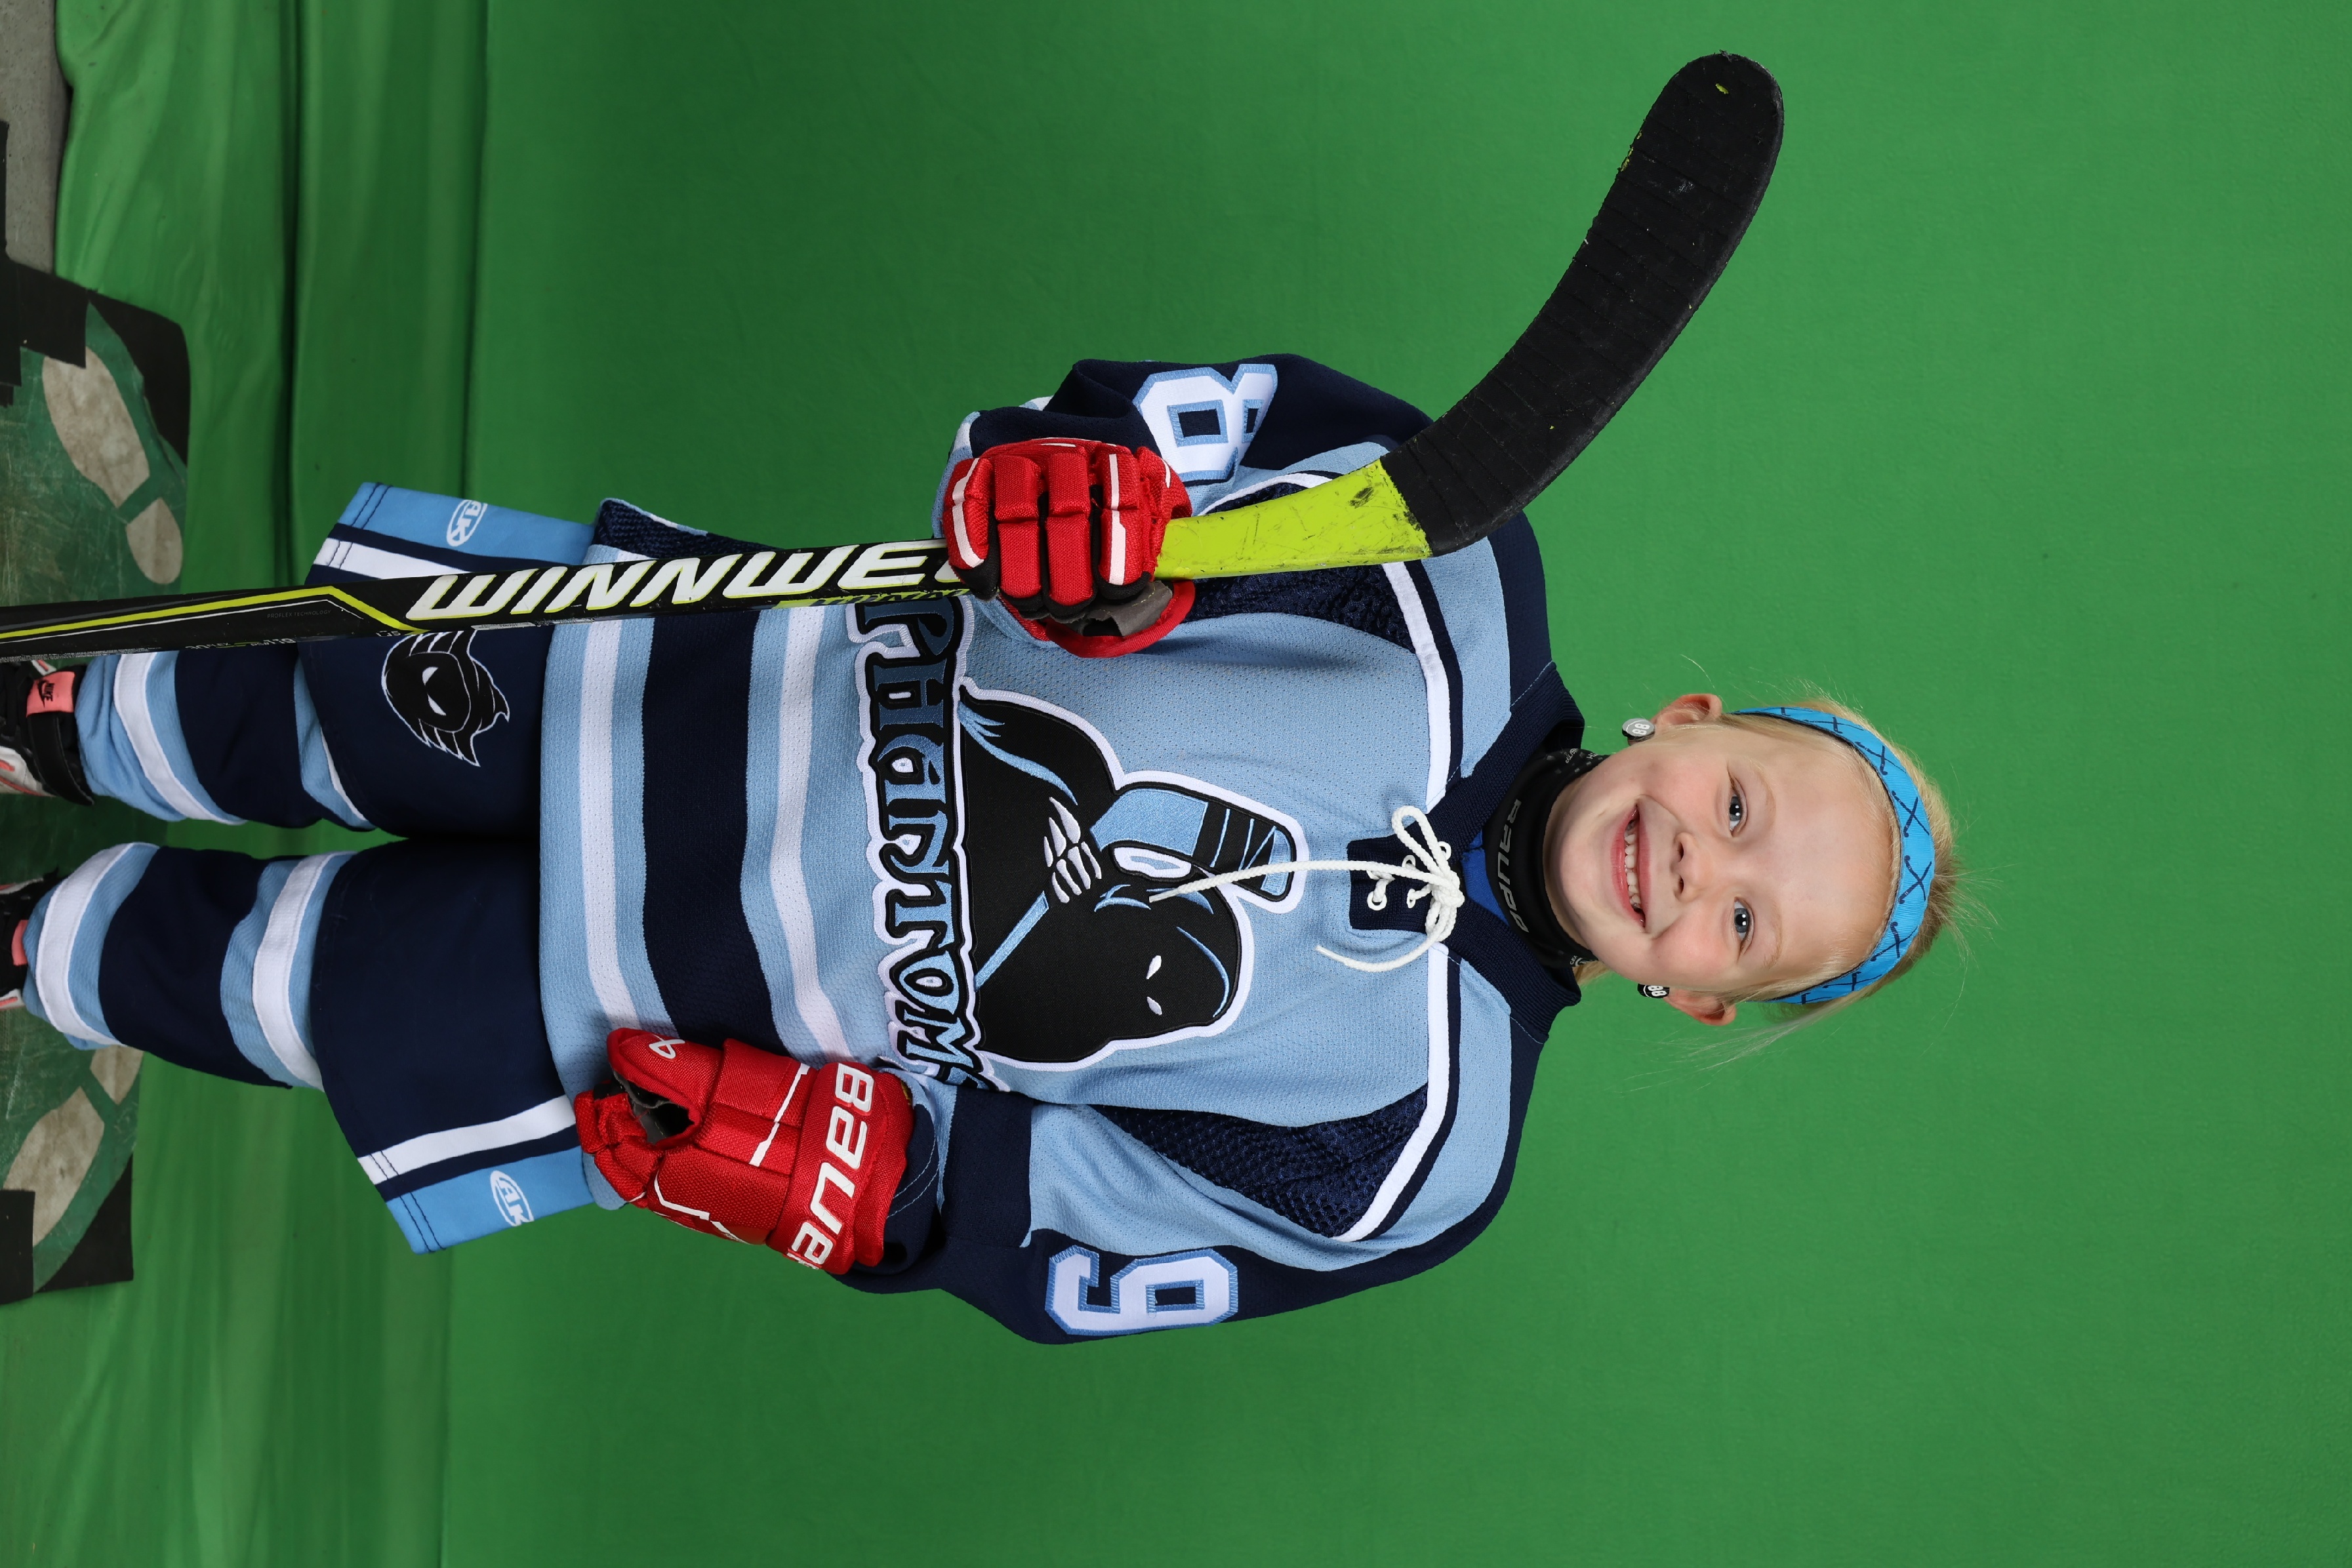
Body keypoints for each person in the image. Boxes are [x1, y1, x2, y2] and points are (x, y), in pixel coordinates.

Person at [0, 354, 1961, 1340]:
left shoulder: (1418, 1163)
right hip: (676, 685)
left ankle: (40, 942)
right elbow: (1133, 435)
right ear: (1690, 719)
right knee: (307, 704)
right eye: (1739, 807)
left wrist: (900, 1200)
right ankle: (63, 714)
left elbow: (1089, 1233)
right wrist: (1080, 492)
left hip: (679, 1017)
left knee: (291, 985)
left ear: (1704, 1003)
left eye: (1742, 923)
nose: (1694, 870)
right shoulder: (1443, 559)